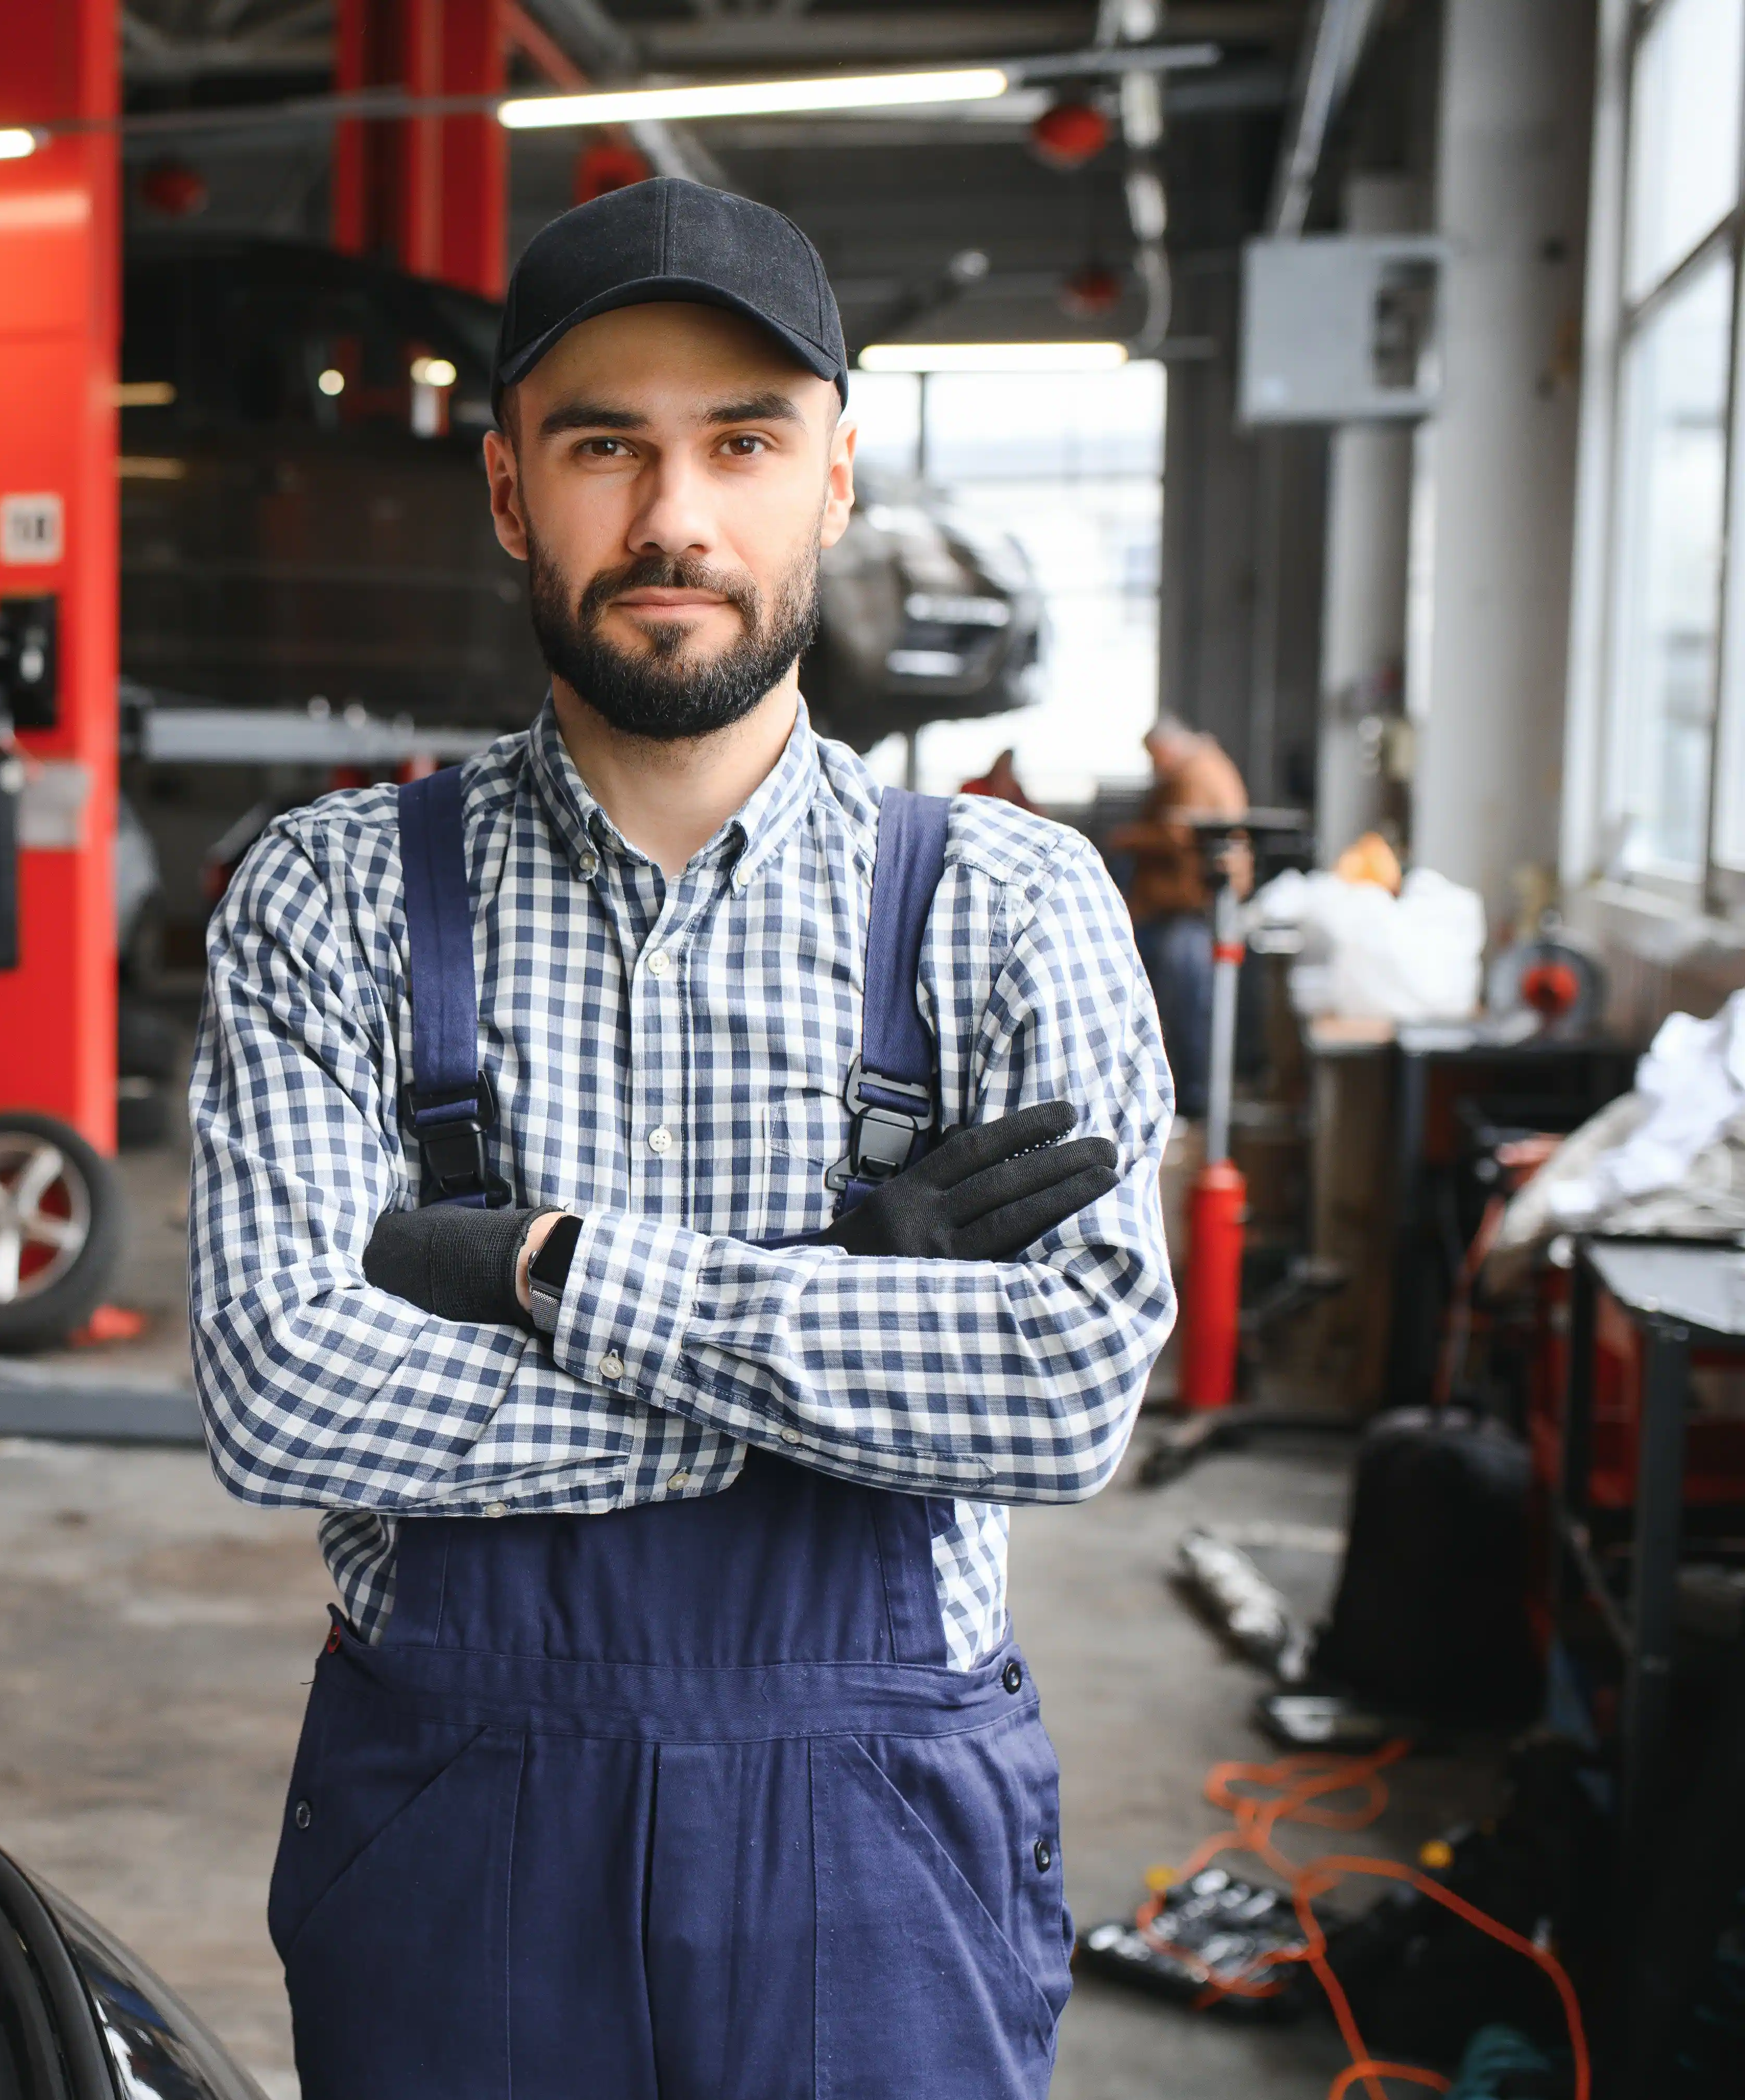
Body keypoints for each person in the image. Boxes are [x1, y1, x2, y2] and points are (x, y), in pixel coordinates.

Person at [186, 178, 1176, 2098]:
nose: (671, 518)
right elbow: (282, 1386)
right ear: (504, 491)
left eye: (739, 443)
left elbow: (1060, 1396)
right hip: (457, 1826)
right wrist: (855, 1310)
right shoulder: (325, 898)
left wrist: (546, 1272)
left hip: (876, 1840)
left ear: (831, 479)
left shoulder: (1008, 905)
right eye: (600, 446)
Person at [1108, 714, 1250, 1118]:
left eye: (1155, 758)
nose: (1154, 768)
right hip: (1186, 910)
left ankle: (1190, 1102)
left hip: (1189, 912)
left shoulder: (1196, 775)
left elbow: (1180, 833)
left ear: (1168, 748)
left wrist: (1129, 837)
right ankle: (1189, 1098)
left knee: (1186, 1007)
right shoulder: (1203, 767)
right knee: (1187, 1005)